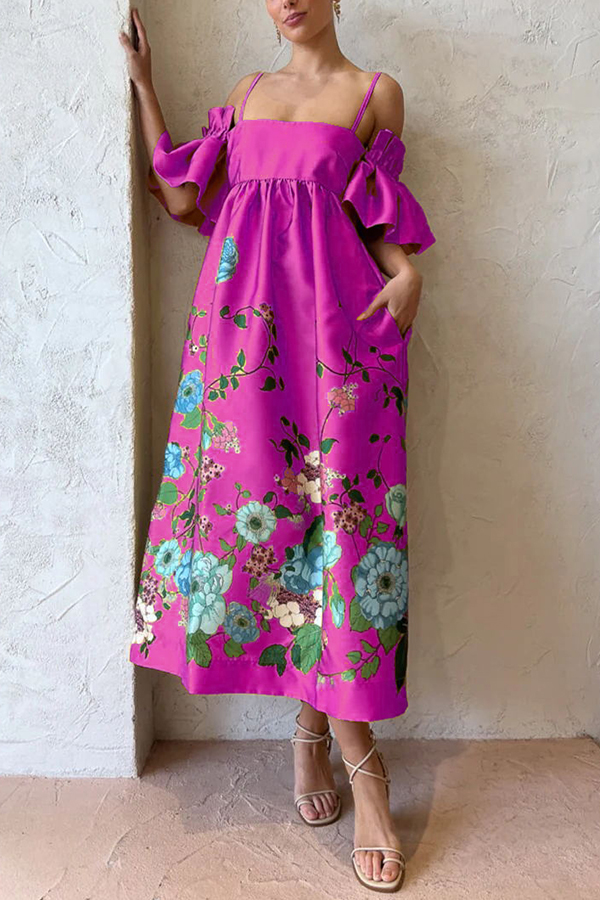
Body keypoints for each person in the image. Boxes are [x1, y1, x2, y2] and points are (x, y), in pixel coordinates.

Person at [120, 1, 435, 891]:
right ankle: (324, 740)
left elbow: (377, 224)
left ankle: (341, 753)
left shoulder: (376, 93)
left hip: (340, 342)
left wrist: (408, 272)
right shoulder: (248, 90)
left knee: (343, 535)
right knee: (258, 530)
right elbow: (186, 201)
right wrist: (146, 88)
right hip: (242, 351)